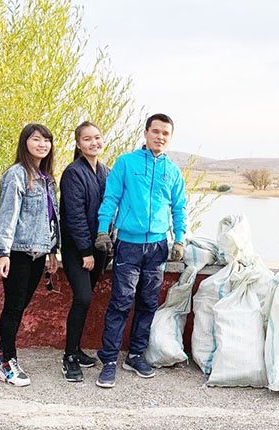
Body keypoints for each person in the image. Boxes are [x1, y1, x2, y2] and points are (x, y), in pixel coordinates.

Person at [94, 113, 187, 388]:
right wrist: (103, 230)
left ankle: (135, 355)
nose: (160, 137)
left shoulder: (173, 171)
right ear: (146, 133)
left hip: (158, 245)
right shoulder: (126, 163)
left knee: (148, 302)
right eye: (155, 131)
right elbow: (111, 198)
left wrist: (179, 239)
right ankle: (109, 360)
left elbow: (179, 208)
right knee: (121, 302)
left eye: (165, 133)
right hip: (128, 244)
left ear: (169, 138)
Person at [0, 123, 60, 387]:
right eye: (36, 139)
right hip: (18, 252)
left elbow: (52, 218)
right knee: (13, 307)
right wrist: (3, 252)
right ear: (25, 143)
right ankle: (8, 362)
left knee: (20, 306)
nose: (42, 144)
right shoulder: (16, 175)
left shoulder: (47, 178)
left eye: (46, 141)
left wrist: (53, 250)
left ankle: (0, 354)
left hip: (39, 252)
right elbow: (7, 216)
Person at [59, 121, 110, 382]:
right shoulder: (73, 173)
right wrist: (85, 251)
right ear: (78, 144)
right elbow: (75, 216)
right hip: (77, 250)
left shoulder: (105, 171)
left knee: (86, 298)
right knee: (82, 298)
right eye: (87, 139)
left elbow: (111, 208)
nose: (94, 143)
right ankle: (69, 356)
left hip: (99, 249)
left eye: (97, 138)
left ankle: (77, 349)